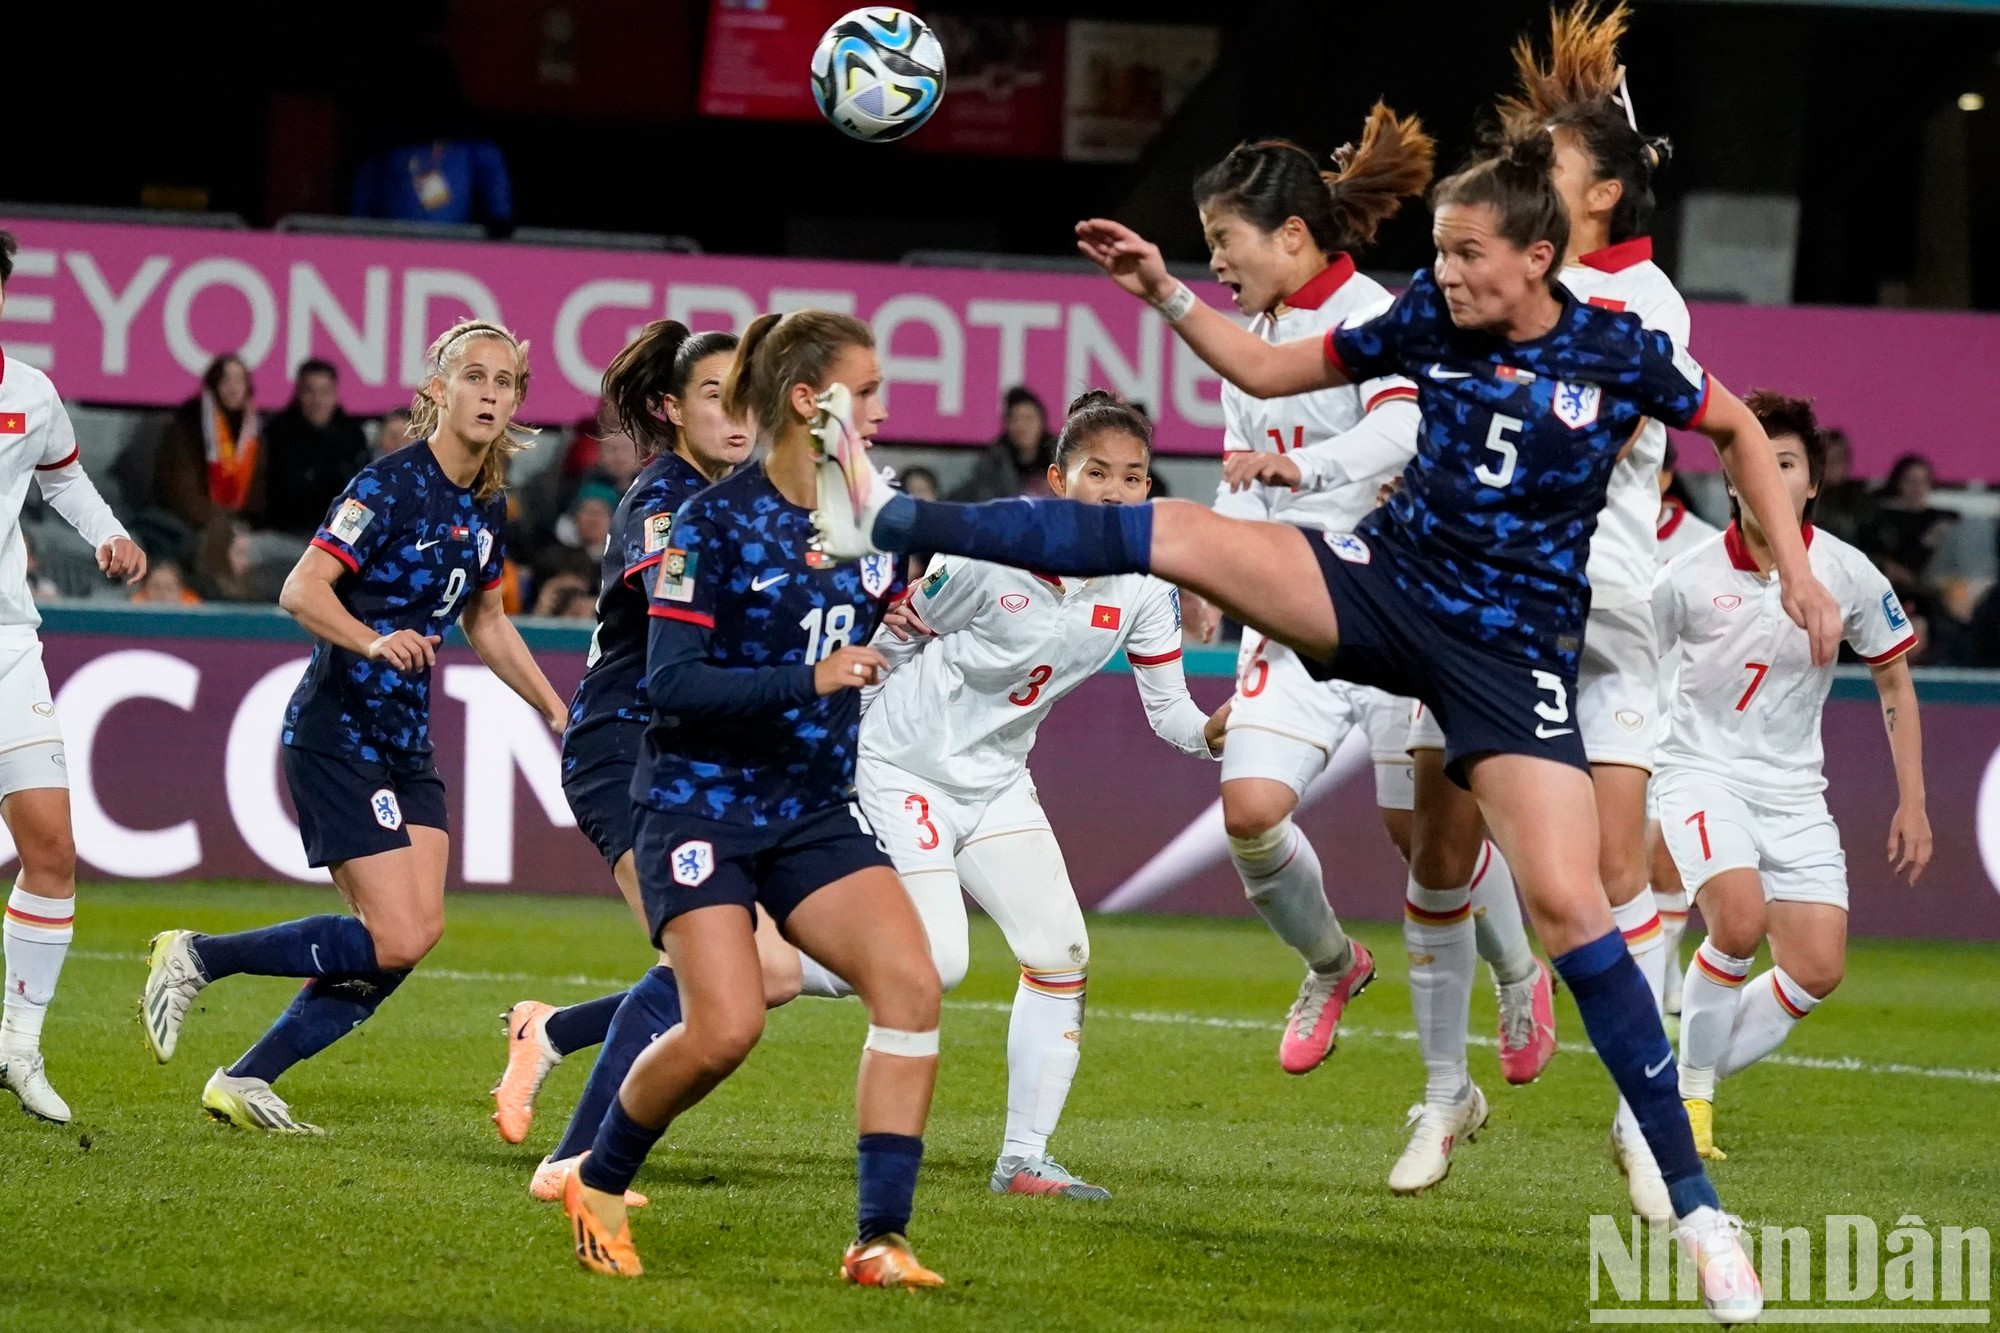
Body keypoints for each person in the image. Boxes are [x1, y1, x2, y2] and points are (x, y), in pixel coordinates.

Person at [812, 138, 1844, 1324]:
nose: (1444, 272)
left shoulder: (1617, 348)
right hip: (1383, 586)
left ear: (1538, 256)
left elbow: (1728, 433)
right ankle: (883, 513)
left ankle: (1697, 1207)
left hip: (1511, 656)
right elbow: (1262, 359)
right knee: (1179, 533)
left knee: (1570, 909)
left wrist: (1799, 573)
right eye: (1442, 249)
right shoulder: (1422, 323)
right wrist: (1162, 293)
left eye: (1467, 253)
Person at [561, 310, 946, 1290]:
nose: (885, 405)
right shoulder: (709, 523)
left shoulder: (871, 506)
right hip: (699, 805)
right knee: (726, 1028)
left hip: (811, 808)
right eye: (868, 388)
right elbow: (673, 683)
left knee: (909, 984)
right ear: (811, 403)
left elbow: (908, 586)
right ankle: (598, 1179)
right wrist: (813, 679)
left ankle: (879, 1238)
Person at [1391, 0, 1685, 1211]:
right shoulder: (1506, 281)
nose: (1530, 183)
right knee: (1432, 844)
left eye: (1553, 169)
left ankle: (1639, 1116)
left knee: (1615, 870)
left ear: (1602, 198)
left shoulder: (1643, 306)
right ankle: (1442, 1087)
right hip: (1474, 596)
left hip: (1599, 607)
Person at [138, 320, 569, 1133]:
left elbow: (489, 619)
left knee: (415, 934)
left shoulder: (486, 501)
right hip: (338, 732)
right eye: (473, 376)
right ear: (438, 389)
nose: (489, 393)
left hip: (406, 741)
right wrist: (373, 639)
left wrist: (552, 705)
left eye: (504, 382)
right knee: (397, 933)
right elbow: (301, 589)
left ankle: (246, 1075)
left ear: (516, 401)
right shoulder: (388, 487)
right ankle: (200, 955)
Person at [856, 391, 1227, 1201]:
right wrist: (834, 743)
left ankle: (1024, 1157)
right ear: (1060, 478)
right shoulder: (992, 550)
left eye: (1134, 477)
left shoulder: (1142, 586)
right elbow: (894, 636)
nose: (1117, 491)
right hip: (903, 764)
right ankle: (756, 965)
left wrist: (1219, 733)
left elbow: (1172, 718)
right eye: (1099, 472)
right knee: (938, 962)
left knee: (1060, 952)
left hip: (994, 784)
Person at [488, 321, 771, 1206]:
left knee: (752, 970)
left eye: (747, 397)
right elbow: (678, 598)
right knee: (706, 971)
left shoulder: (730, 497)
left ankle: (554, 1030)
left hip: (690, 758)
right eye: (718, 397)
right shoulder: (664, 496)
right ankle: (572, 1162)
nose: (738, 415)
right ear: (670, 408)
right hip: (626, 748)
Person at [1189, 105, 1441, 1082]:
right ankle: (1331, 963)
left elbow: (1400, 433)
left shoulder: (1373, 320)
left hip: (1394, 606)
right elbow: (1234, 467)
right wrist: (1209, 565)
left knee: (1426, 838)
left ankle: (1514, 977)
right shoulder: (1249, 338)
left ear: (1290, 235)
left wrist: (1308, 473)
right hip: (1292, 614)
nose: (1213, 261)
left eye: (1223, 239)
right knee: (1249, 810)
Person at [1654, 391, 1929, 1159]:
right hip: (1699, 771)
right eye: (1755, 463)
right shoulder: (1684, 576)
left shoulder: (1846, 571)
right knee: (1736, 923)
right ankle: (1691, 1107)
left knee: (1815, 967)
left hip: (1793, 789)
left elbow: (1895, 683)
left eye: (1788, 464)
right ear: (1731, 477)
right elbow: (1626, 672)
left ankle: (1664, 1083)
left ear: (1812, 483)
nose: (1770, 477)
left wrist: (1913, 801)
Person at [0, 230, 148, 1123]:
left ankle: (18, 1045)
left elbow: (65, 483)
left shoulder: (30, 393)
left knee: (51, 850)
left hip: (7, 642)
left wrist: (108, 533)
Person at [1651, 437, 1722, 1020]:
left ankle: (1651, 981)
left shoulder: (1704, 547)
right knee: (1613, 865)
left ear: (1668, 475)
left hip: (1678, 725)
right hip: (1599, 717)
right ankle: (1666, 977)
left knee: (1665, 859)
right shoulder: (1589, 535)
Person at [152, 354, 260, 588]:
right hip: (191, 519)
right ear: (213, 386)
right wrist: (218, 519)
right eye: (226, 380)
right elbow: (179, 488)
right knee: (218, 536)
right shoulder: (188, 424)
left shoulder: (254, 429)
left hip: (240, 522)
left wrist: (248, 522)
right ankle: (221, 596)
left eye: (239, 381)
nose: (233, 388)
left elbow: (261, 490)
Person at [256, 359, 370, 538]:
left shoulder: (353, 436)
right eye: (310, 391)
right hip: (285, 534)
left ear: (335, 395)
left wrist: (343, 541)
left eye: (325, 392)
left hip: (337, 540)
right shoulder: (278, 433)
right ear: (298, 394)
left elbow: (364, 494)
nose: (317, 400)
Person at [1860, 452, 1957, 599]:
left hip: (1931, 585)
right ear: (1898, 482)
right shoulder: (1880, 515)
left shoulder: (1940, 519)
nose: (1917, 488)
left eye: (1923, 482)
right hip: (1888, 587)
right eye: (1911, 481)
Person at [951, 386, 1056, 501]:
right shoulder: (993, 464)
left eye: (1028, 418)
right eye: (1015, 419)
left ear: (1041, 423)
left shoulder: (1060, 459)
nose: (1022, 426)